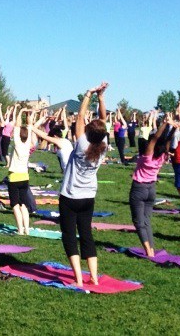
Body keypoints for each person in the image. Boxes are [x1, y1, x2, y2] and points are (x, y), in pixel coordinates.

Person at [58, 82, 109, 287]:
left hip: (70, 197)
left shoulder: (81, 144)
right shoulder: (103, 147)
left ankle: (79, 279)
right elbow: (103, 121)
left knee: (69, 236)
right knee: (86, 235)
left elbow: (80, 117)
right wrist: (101, 98)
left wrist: (88, 94)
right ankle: (94, 277)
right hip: (88, 197)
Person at [128, 110, 170, 257]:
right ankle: (151, 248)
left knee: (138, 222)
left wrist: (164, 124)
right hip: (151, 189)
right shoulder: (163, 156)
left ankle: (148, 251)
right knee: (146, 221)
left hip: (139, 189)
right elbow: (165, 140)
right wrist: (170, 127)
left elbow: (156, 138)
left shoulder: (147, 157)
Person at [7, 108, 39, 235]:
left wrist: (20, 112)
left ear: (19, 135)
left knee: (15, 204)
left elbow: (17, 125)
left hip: (14, 177)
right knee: (24, 205)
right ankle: (27, 229)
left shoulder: (17, 143)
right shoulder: (28, 145)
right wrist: (28, 114)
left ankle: (20, 230)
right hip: (25, 177)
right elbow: (29, 126)